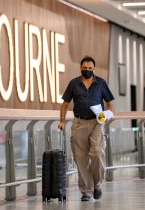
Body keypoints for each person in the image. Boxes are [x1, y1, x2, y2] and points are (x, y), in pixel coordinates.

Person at [58, 55, 115, 201]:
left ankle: (97, 185)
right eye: (85, 68)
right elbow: (65, 104)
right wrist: (62, 121)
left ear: (94, 68)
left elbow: (109, 103)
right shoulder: (74, 83)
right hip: (79, 123)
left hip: (96, 123)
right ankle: (86, 191)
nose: (87, 70)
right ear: (80, 68)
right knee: (81, 158)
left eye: (90, 68)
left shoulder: (101, 83)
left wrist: (109, 115)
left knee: (97, 152)